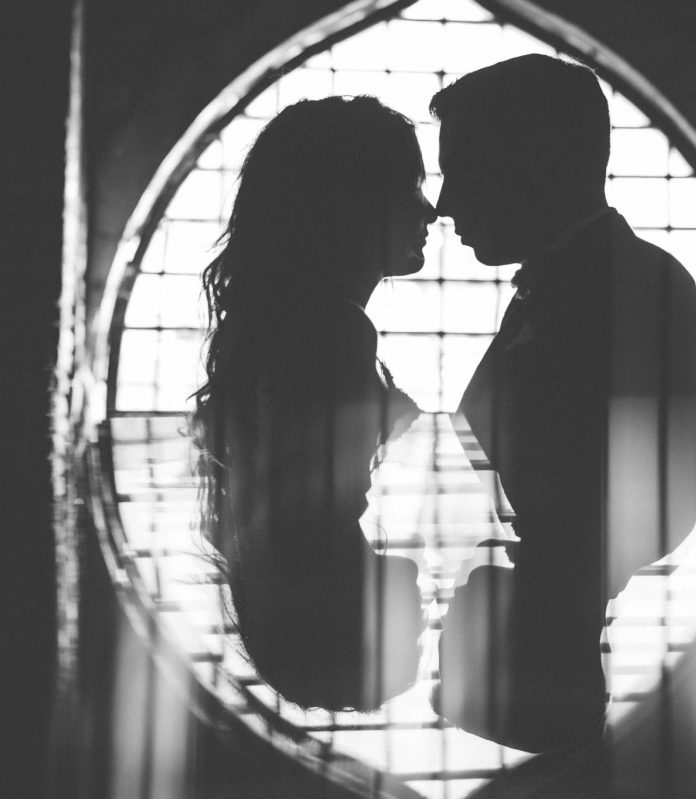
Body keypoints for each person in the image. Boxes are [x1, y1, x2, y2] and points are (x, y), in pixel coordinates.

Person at [430, 55, 696, 751]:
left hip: (545, 666)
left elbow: (654, 496)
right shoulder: (591, 283)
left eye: (463, 169)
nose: (443, 203)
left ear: (535, 162)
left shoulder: (633, 292)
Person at [192, 96, 437, 712]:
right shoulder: (331, 331)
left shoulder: (279, 326)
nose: (430, 209)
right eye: (406, 187)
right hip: (326, 619)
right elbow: (319, 508)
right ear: (345, 204)